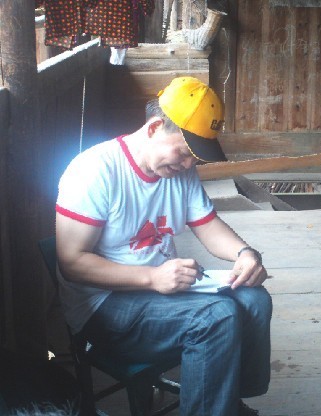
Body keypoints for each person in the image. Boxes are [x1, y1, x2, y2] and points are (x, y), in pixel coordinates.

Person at [55, 76, 272, 416]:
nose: (188, 165)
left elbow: (208, 226)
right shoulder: (94, 171)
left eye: (195, 159)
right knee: (216, 317)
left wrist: (245, 253)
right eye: (184, 152)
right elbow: (72, 262)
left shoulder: (179, 173)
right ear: (154, 127)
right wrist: (152, 277)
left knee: (255, 299)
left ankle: (227, 401)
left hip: (162, 290)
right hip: (104, 303)